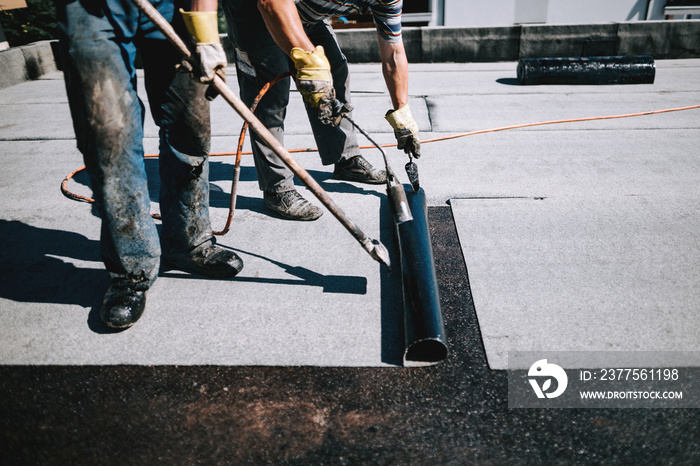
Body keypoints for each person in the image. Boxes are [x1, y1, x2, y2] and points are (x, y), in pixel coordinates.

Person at [56, 0, 243, 329]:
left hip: (173, 4)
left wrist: (204, 30)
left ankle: (187, 241)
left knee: (190, 122)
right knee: (110, 131)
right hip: (93, 8)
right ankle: (132, 268)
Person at [221, 0, 421, 221]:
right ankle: (277, 188)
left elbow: (393, 55)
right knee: (270, 95)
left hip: (304, 11)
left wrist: (402, 115)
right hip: (254, 9)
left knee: (334, 70)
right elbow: (269, 3)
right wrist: (309, 63)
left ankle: (346, 159)